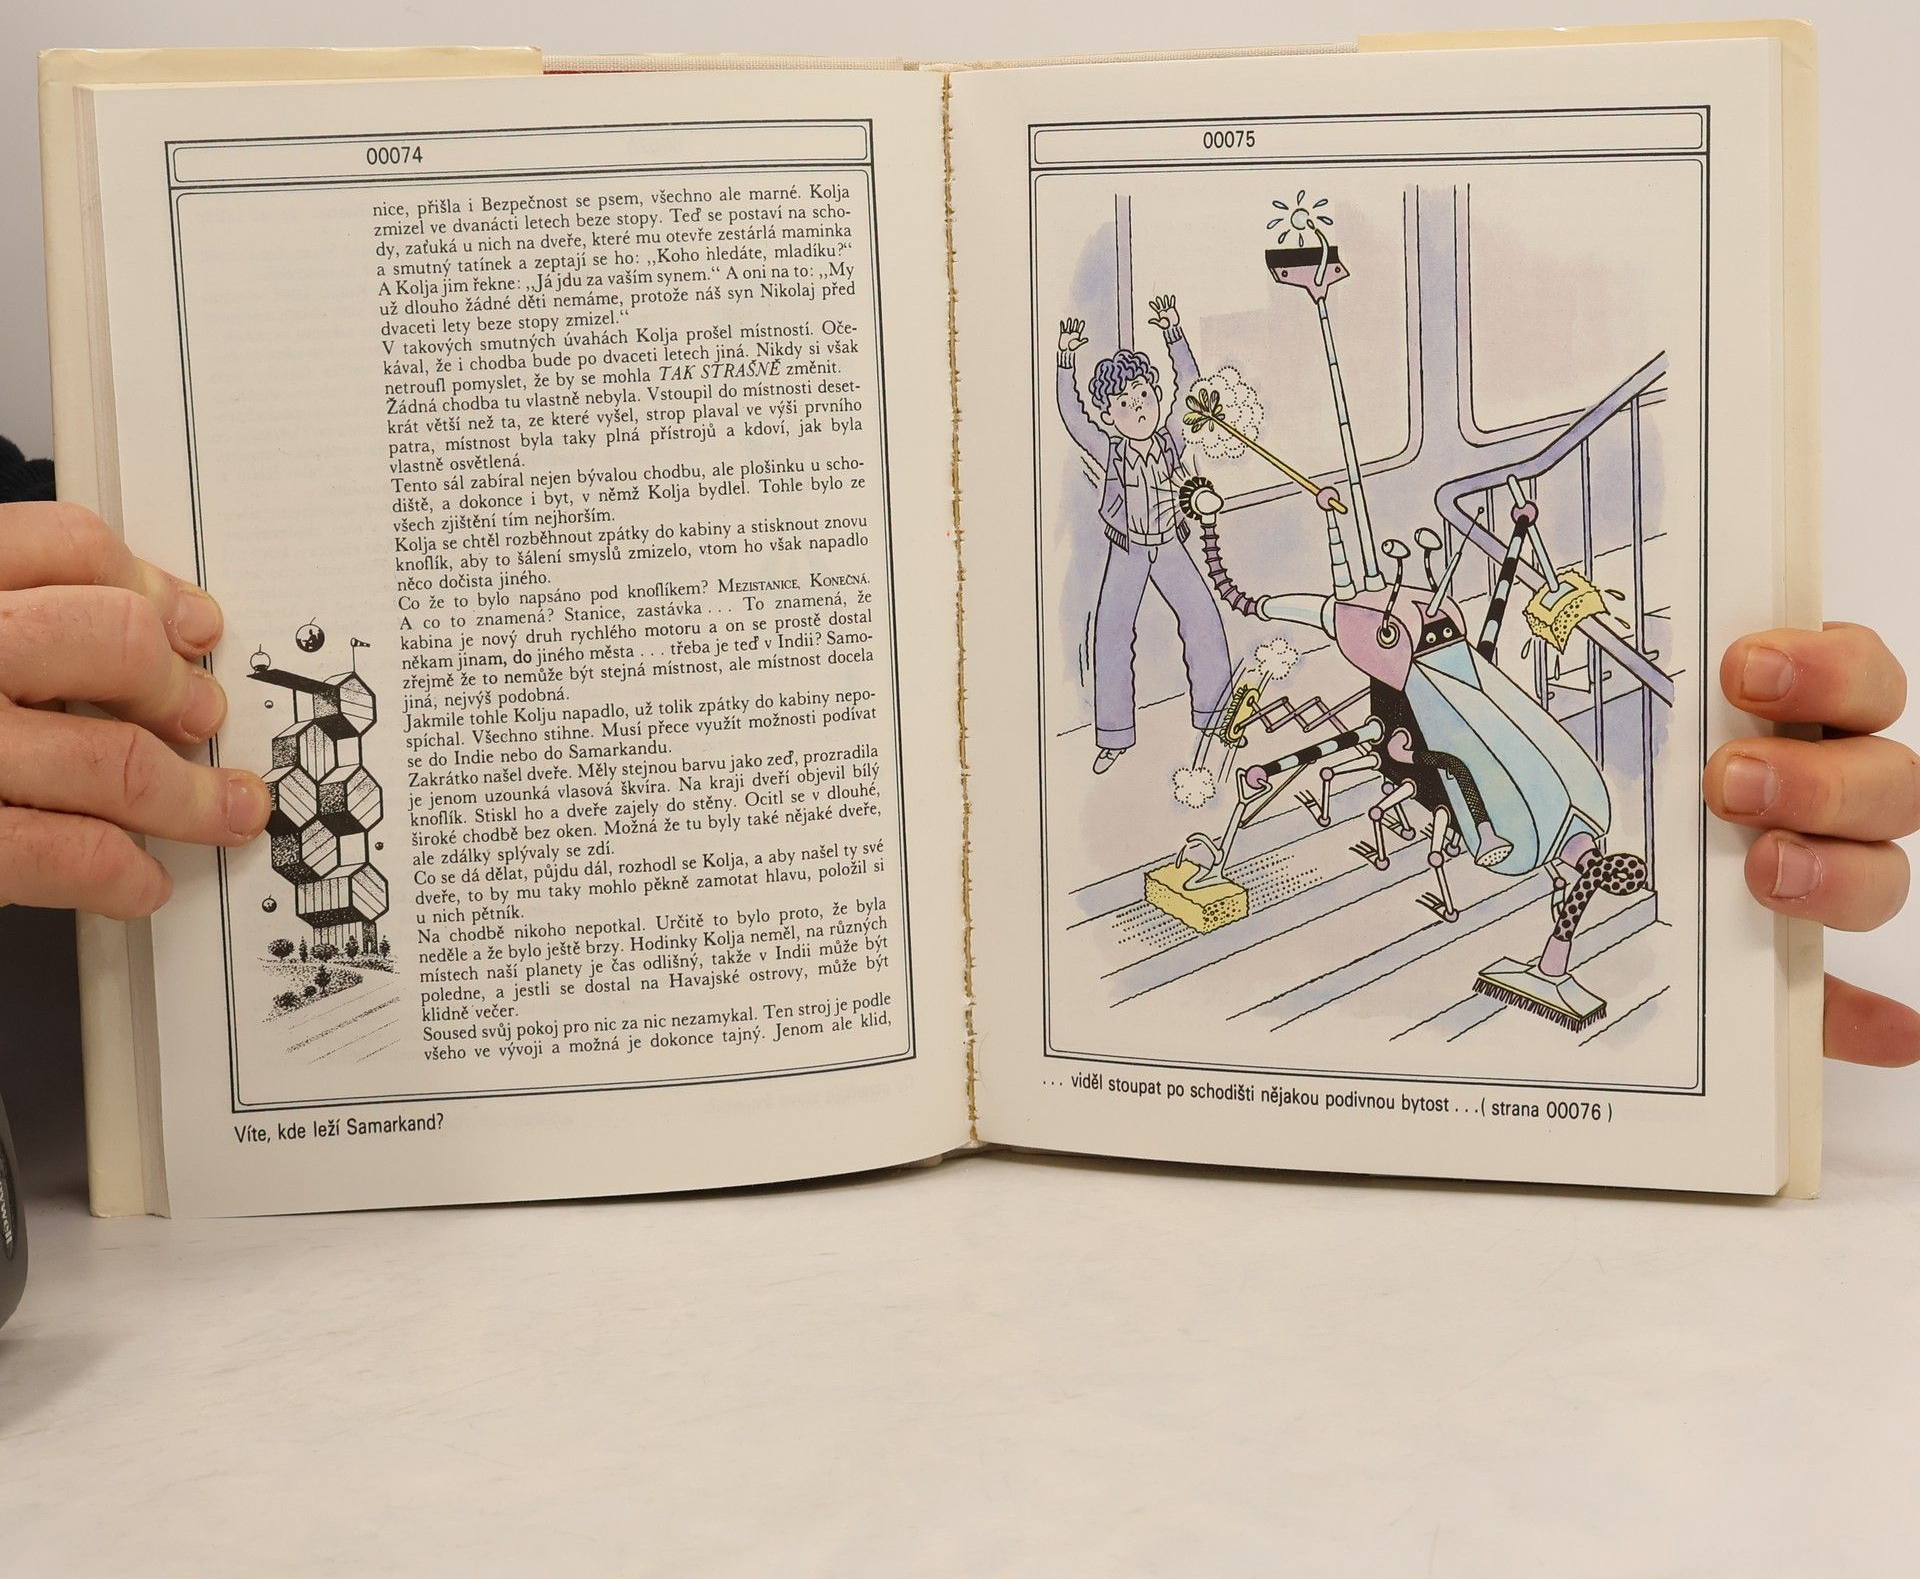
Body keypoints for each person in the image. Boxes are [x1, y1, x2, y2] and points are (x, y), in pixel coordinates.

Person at [0, 492, 1915, 1065]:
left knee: (1492, 787)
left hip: (1487, 783)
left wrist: (1701, 979)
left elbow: (1413, 667)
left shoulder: (1440, 668)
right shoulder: (1371, 672)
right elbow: (1321, 659)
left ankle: (1569, 891)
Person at [1056, 295, 1234, 773]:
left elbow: (1190, 387)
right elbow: (1072, 417)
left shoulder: (1172, 437)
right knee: (1111, 632)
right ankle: (1114, 735)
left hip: (1169, 544)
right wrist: (1065, 360)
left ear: (1156, 396)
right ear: (1109, 416)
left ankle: (1215, 714)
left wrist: (1174, 333)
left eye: (1143, 397)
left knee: (1202, 618)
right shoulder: (1110, 449)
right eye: (1124, 404)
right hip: (1129, 550)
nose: (1138, 409)